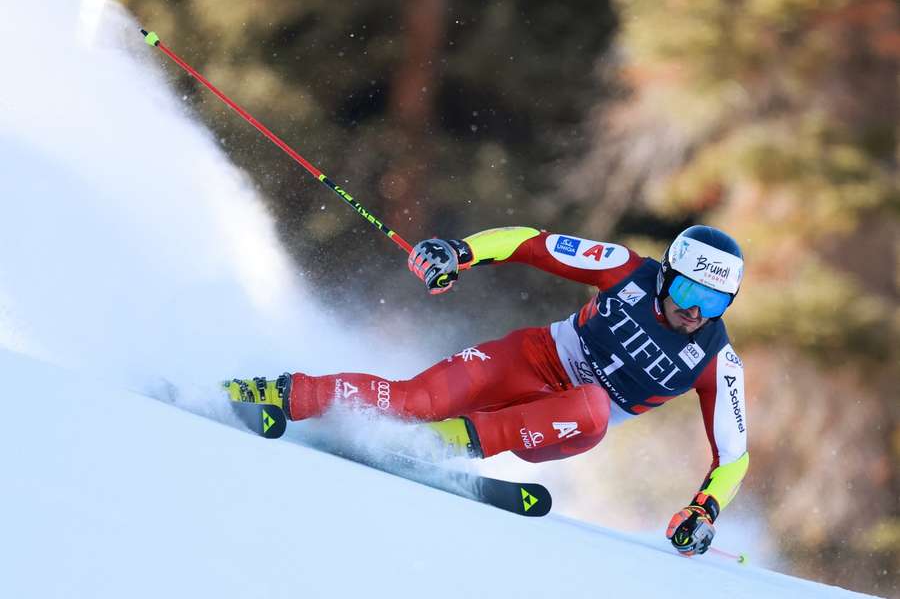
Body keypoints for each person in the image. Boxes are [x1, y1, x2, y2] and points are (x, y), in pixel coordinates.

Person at [227, 224, 748, 556]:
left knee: (592, 405)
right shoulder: (625, 268)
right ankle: (280, 393)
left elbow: (734, 456)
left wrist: (705, 511)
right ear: (666, 275)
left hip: (570, 420)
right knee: (414, 401)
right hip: (534, 358)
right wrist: (461, 253)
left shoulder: (717, 361)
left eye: (715, 302)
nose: (696, 311)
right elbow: (531, 242)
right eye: (686, 290)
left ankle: (443, 444)